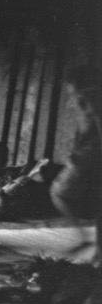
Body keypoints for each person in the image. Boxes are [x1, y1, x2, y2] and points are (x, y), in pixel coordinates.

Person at [50, 66, 101, 264]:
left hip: (89, 154)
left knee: (58, 193)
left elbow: (95, 123)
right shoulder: (89, 97)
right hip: (87, 152)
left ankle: (84, 238)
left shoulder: (88, 98)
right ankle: (94, 248)